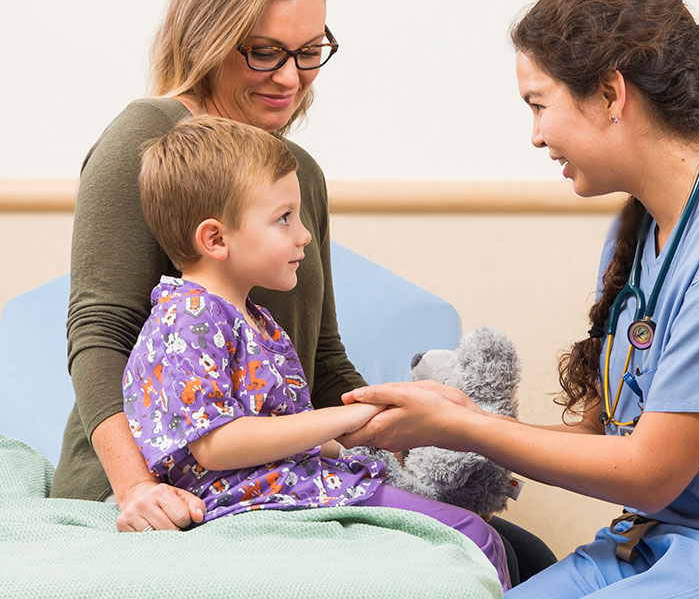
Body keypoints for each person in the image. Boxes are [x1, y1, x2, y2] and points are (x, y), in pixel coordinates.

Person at [342, 0, 699, 597]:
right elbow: (607, 439)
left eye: (538, 104)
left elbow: (649, 473)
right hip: (667, 543)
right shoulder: (641, 228)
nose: (535, 135)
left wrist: (461, 429)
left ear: (611, 93)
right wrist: (461, 418)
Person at [49, 0, 552, 583]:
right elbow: (98, 331)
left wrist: (420, 431)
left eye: (310, 51)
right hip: (167, 483)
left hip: (277, 476)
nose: (291, 77)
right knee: (475, 556)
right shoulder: (146, 137)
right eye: (264, 52)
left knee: (520, 549)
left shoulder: (296, 172)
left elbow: (320, 358)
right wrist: (138, 489)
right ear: (209, 38)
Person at [121, 115, 510, 588]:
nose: (304, 234)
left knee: (480, 531)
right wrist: (340, 420)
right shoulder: (190, 319)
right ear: (215, 239)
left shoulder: (252, 319)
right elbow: (216, 445)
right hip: (252, 497)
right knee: (474, 538)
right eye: (284, 218)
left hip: (290, 482)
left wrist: (368, 429)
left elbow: (278, 431)